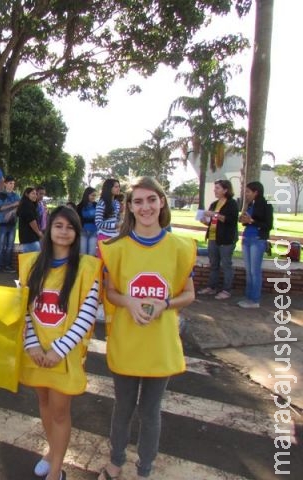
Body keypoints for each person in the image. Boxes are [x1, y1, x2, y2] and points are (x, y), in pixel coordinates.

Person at [97, 177, 196, 480]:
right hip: (127, 341)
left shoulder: (180, 247)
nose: (145, 207)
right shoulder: (117, 248)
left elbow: (189, 294)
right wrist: (128, 301)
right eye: (138, 201)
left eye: (151, 199)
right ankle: (115, 461)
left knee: (151, 412)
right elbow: (110, 292)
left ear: (162, 202)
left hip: (160, 343)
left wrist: (165, 304)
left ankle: (145, 470)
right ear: (129, 207)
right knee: (123, 407)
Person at [19, 206, 101, 480]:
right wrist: (31, 344)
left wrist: (58, 350)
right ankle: (51, 451)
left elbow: (86, 315)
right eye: (59, 226)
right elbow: (24, 309)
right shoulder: (31, 264)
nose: (64, 232)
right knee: (43, 403)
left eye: (70, 227)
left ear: (77, 233)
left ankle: (56, 470)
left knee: (60, 412)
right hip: (36, 352)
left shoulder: (88, 268)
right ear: (49, 229)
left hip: (63, 356)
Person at [196, 179, 239, 300]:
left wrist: (214, 215)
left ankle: (226, 290)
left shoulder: (232, 203)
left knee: (226, 264)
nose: (215, 190)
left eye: (218, 188)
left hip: (226, 239)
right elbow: (211, 222)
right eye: (215, 188)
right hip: (213, 237)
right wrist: (204, 221)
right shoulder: (214, 204)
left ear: (226, 190)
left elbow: (230, 220)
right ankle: (211, 287)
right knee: (213, 264)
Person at [238, 181, 273, 308]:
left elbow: (268, 225)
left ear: (256, 192)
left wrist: (251, 220)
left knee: (255, 271)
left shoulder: (266, 205)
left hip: (257, 239)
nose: (246, 194)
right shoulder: (250, 205)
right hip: (247, 238)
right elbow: (247, 222)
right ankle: (248, 296)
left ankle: (254, 300)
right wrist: (244, 220)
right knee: (248, 271)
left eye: (248, 191)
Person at [0, 176, 20, 273]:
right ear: (5, 184)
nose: (12, 185)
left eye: (13, 183)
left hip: (12, 224)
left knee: (10, 246)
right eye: (10, 183)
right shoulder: (0, 195)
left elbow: (20, 205)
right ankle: (0, 266)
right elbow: (0, 208)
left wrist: (12, 211)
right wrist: (14, 205)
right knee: (1, 246)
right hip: (2, 224)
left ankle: (8, 266)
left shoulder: (16, 195)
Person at [95, 179, 121, 255]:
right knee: (104, 264)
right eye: (116, 187)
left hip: (116, 237)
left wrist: (120, 222)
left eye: (119, 186)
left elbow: (116, 218)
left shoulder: (117, 203)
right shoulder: (101, 203)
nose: (118, 188)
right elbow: (98, 223)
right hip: (104, 238)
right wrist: (115, 225)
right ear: (109, 188)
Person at [17, 187, 44, 253]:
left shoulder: (25, 204)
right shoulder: (27, 205)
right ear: (27, 194)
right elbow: (32, 221)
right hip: (30, 239)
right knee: (35, 260)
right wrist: (39, 233)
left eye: (36, 194)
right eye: (33, 194)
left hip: (27, 239)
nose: (35, 196)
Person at [76, 186, 98, 255]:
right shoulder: (79, 206)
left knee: (92, 254)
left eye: (95, 195)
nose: (94, 197)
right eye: (92, 195)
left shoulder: (97, 205)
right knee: (82, 253)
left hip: (94, 232)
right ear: (87, 195)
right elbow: (77, 219)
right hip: (83, 232)